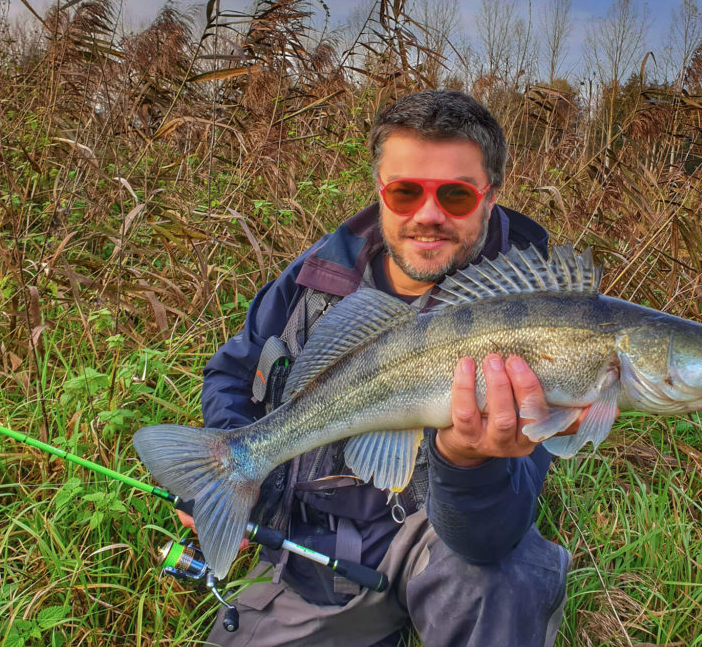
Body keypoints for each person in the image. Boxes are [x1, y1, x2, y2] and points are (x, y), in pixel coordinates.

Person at [190, 90, 571, 647]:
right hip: (315, 558)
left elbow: (490, 537)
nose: (429, 216)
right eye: (406, 192)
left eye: (458, 196)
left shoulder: (536, 313)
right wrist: (231, 466)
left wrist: (467, 462)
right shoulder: (317, 277)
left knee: (505, 577)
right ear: (380, 191)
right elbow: (231, 373)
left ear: (491, 196)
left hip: (442, 540)